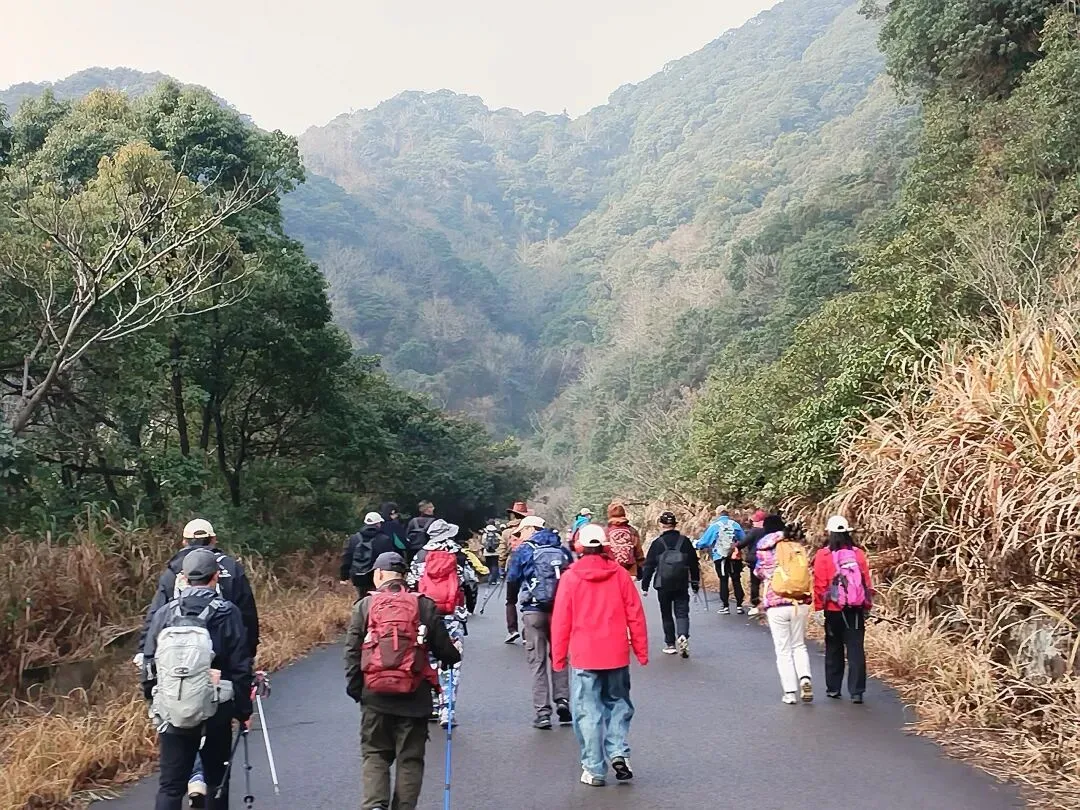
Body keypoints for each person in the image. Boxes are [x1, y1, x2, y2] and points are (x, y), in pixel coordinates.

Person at [135, 518, 259, 808]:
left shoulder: (165, 613)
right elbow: (240, 666)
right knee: (217, 779)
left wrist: (154, 699)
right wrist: (243, 710)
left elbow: (150, 661)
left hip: (174, 704)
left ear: (183, 577)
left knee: (170, 785)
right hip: (216, 703)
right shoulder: (227, 612)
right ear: (215, 577)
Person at [345, 552, 461, 810]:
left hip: (375, 695)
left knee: (375, 753)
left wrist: (357, 690)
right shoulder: (423, 605)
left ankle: (375, 805)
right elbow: (445, 650)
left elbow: (352, 652)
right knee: (410, 759)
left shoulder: (364, 606)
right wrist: (454, 654)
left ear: (378, 575)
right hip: (414, 696)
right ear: (405, 576)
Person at [551, 524, 648, 787]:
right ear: (605, 545)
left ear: (579, 546)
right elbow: (635, 614)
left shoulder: (570, 577)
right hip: (616, 652)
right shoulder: (620, 574)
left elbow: (561, 620)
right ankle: (618, 752)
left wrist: (558, 657)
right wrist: (641, 650)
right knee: (619, 704)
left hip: (584, 654)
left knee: (587, 711)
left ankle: (594, 768)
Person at [505, 516, 575, 729]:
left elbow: (513, 579)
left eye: (522, 531)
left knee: (537, 661)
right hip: (559, 611)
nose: (520, 535)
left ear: (531, 529)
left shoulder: (524, 551)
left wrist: (511, 603)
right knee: (559, 657)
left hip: (533, 610)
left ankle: (543, 712)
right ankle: (562, 700)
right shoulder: (561, 549)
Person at [408, 519, 479, 727]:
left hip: (426, 616)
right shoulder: (458, 555)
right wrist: (468, 607)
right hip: (452, 616)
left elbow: (411, 585)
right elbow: (470, 581)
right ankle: (447, 711)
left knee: (428, 660)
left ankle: (432, 705)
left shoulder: (420, 556)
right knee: (451, 663)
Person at [813, 515, 873, 704]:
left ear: (829, 533)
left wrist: (818, 608)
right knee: (856, 649)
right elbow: (866, 582)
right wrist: (867, 606)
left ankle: (833, 688)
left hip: (833, 608)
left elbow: (819, 584)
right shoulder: (858, 553)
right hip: (855, 609)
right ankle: (857, 692)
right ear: (848, 532)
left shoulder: (823, 555)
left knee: (833, 647)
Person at [754, 518, 814, 705]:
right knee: (799, 645)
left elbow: (759, 572)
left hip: (776, 602)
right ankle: (805, 678)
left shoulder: (764, 548)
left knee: (783, 650)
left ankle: (790, 692)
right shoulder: (795, 545)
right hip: (800, 601)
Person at [640, 511, 700, 657]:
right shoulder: (685, 541)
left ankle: (670, 644)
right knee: (682, 612)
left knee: (666, 613)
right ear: (675, 524)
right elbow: (694, 564)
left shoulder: (657, 543)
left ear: (661, 524)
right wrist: (695, 583)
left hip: (663, 584)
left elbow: (649, 565)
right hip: (681, 583)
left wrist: (645, 586)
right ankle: (683, 635)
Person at [694, 505, 746, 615]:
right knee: (736, 579)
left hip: (719, 556)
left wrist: (696, 544)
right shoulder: (735, 525)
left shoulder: (715, 526)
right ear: (728, 513)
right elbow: (744, 539)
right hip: (734, 556)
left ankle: (725, 606)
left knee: (723, 580)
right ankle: (739, 606)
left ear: (717, 514)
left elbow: (705, 542)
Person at [497, 501, 530, 643]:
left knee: (510, 600)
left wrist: (501, 568)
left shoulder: (506, 532)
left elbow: (502, 553)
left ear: (513, 514)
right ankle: (527, 632)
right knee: (528, 599)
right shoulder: (530, 530)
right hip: (529, 566)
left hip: (512, 566)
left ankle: (512, 630)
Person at [342, 512, 395, 600]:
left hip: (357, 576)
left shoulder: (354, 538)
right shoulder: (384, 539)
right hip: (375, 576)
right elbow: (389, 559)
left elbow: (347, 557)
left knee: (362, 598)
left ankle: (361, 607)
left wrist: (344, 576)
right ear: (378, 524)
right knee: (376, 599)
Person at [736, 509, 768, 615]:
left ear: (761, 521)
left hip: (755, 559)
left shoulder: (754, 531)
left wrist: (735, 547)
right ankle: (769, 604)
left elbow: (743, 543)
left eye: (756, 521)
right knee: (768, 583)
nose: (753, 522)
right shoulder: (771, 532)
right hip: (769, 560)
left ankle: (755, 604)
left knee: (755, 583)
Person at [604, 503, 645, 580]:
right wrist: (641, 565)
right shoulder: (631, 530)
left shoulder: (606, 530)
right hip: (630, 571)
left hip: (611, 571)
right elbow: (638, 551)